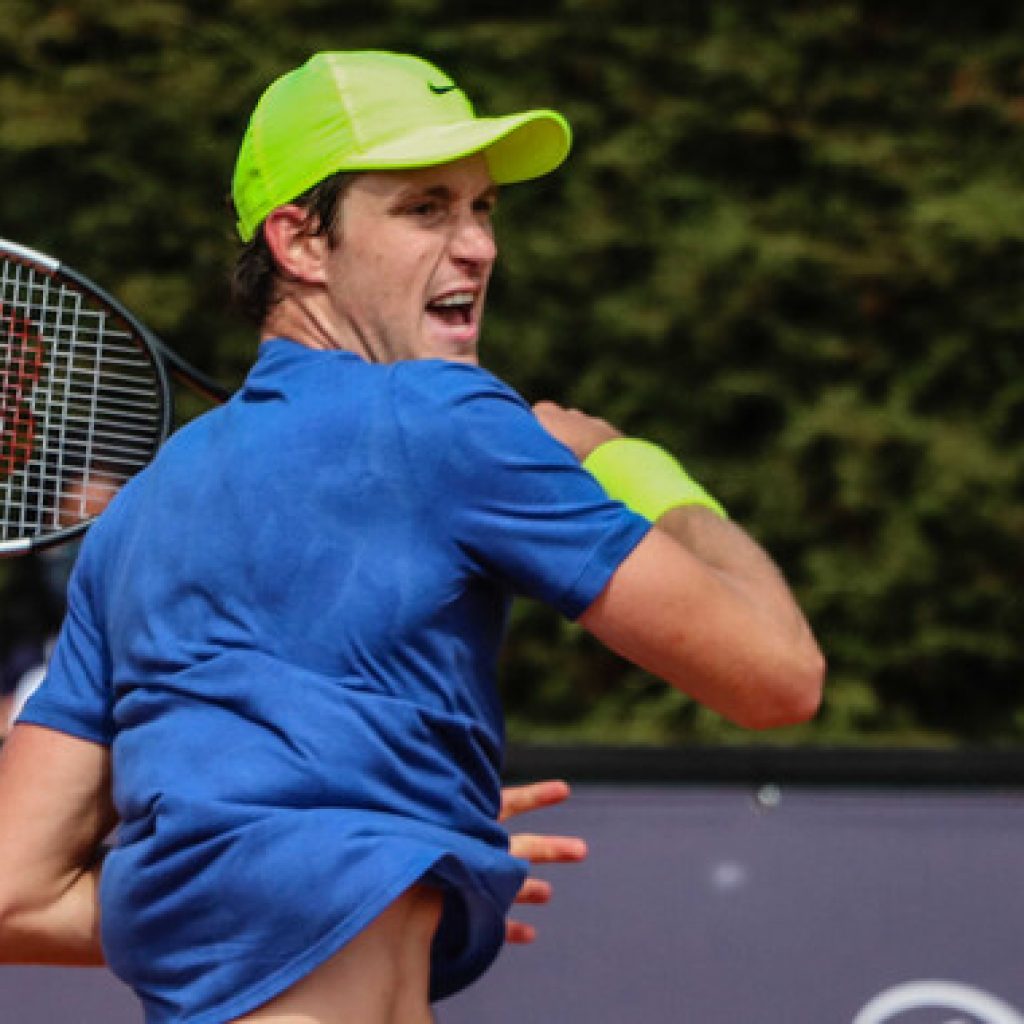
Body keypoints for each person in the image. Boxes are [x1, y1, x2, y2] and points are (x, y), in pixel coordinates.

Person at [0, 50, 824, 1024]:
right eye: (426, 208)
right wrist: (624, 461)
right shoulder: (445, 418)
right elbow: (777, 675)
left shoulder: (137, 514)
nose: (476, 245)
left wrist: (380, 865)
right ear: (300, 241)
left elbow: (14, 893)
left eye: (482, 209)